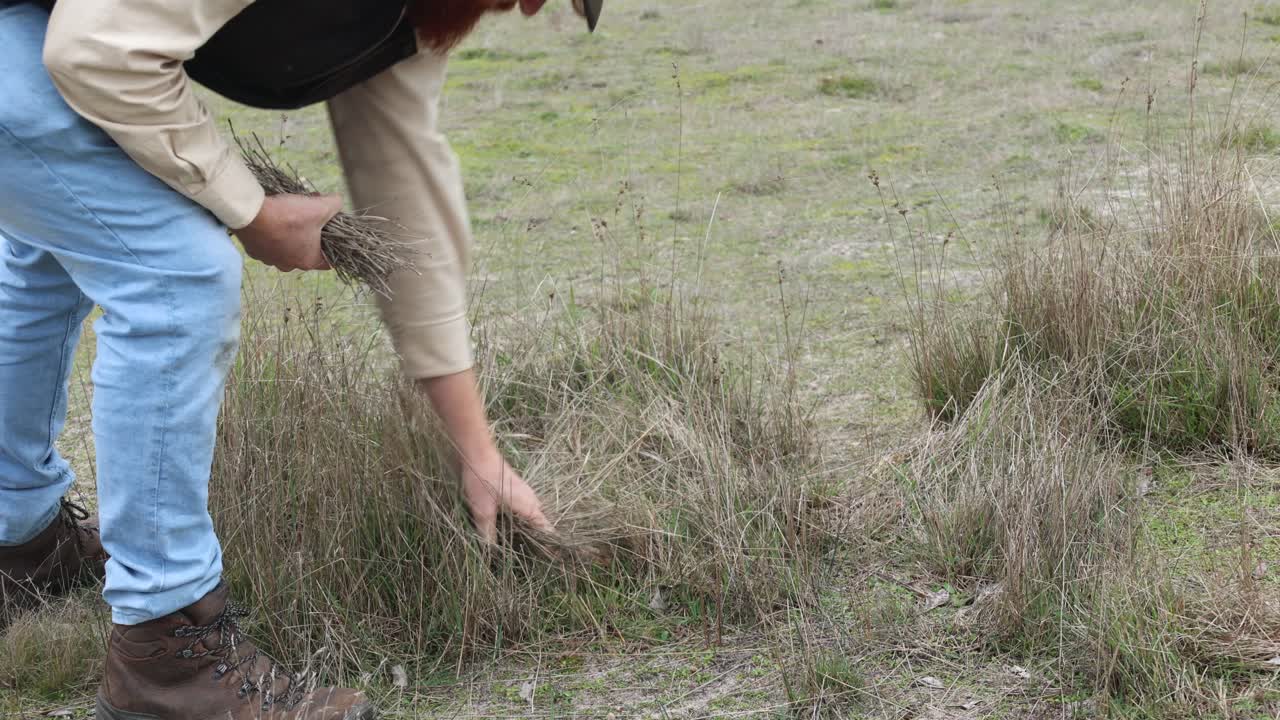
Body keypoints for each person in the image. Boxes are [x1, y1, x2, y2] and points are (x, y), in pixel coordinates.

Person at [0, 0, 603, 717]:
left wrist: (478, 453)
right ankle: (167, 653)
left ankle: (19, 540)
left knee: (58, 241)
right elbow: (96, 50)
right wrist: (249, 210)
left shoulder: (412, 14)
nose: (534, 7)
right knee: (177, 277)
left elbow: (403, 195)